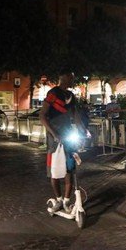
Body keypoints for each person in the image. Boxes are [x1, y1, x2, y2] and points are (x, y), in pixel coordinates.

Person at [40, 71, 85, 213]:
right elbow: (42, 115)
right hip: (54, 138)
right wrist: (53, 133)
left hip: (67, 136)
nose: (73, 79)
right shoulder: (53, 93)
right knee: (54, 170)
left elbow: (76, 115)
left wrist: (84, 131)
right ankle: (58, 199)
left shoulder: (71, 96)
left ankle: (66, 201)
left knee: (69, 169)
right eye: (71, 77)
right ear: (63, 77)